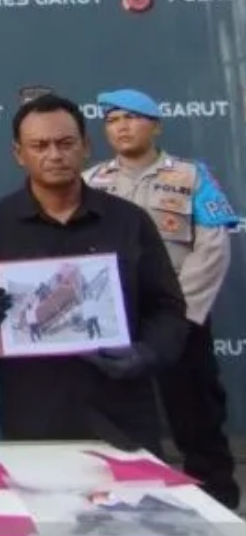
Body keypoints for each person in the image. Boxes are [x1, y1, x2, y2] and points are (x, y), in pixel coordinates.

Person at [0, 93, 188, 456]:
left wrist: (146, 353)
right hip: (33, 416)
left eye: (65, 143)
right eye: (39, 145)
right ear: (19, 154)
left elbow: (168, 308)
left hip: (123, 411)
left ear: (86, 147)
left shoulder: (129, 222)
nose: (54, 155)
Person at [83, 88, 239, 509]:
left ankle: (218, 504)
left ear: (156, 126)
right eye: (113, 120)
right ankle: (126, 503)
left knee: (196, 415)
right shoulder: (91, 182)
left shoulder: (192, 177)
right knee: (118, 421)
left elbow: (212, 248)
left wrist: (179, 315)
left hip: (179, 318)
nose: (122, 127)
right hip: (115, 319)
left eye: (132, 118)